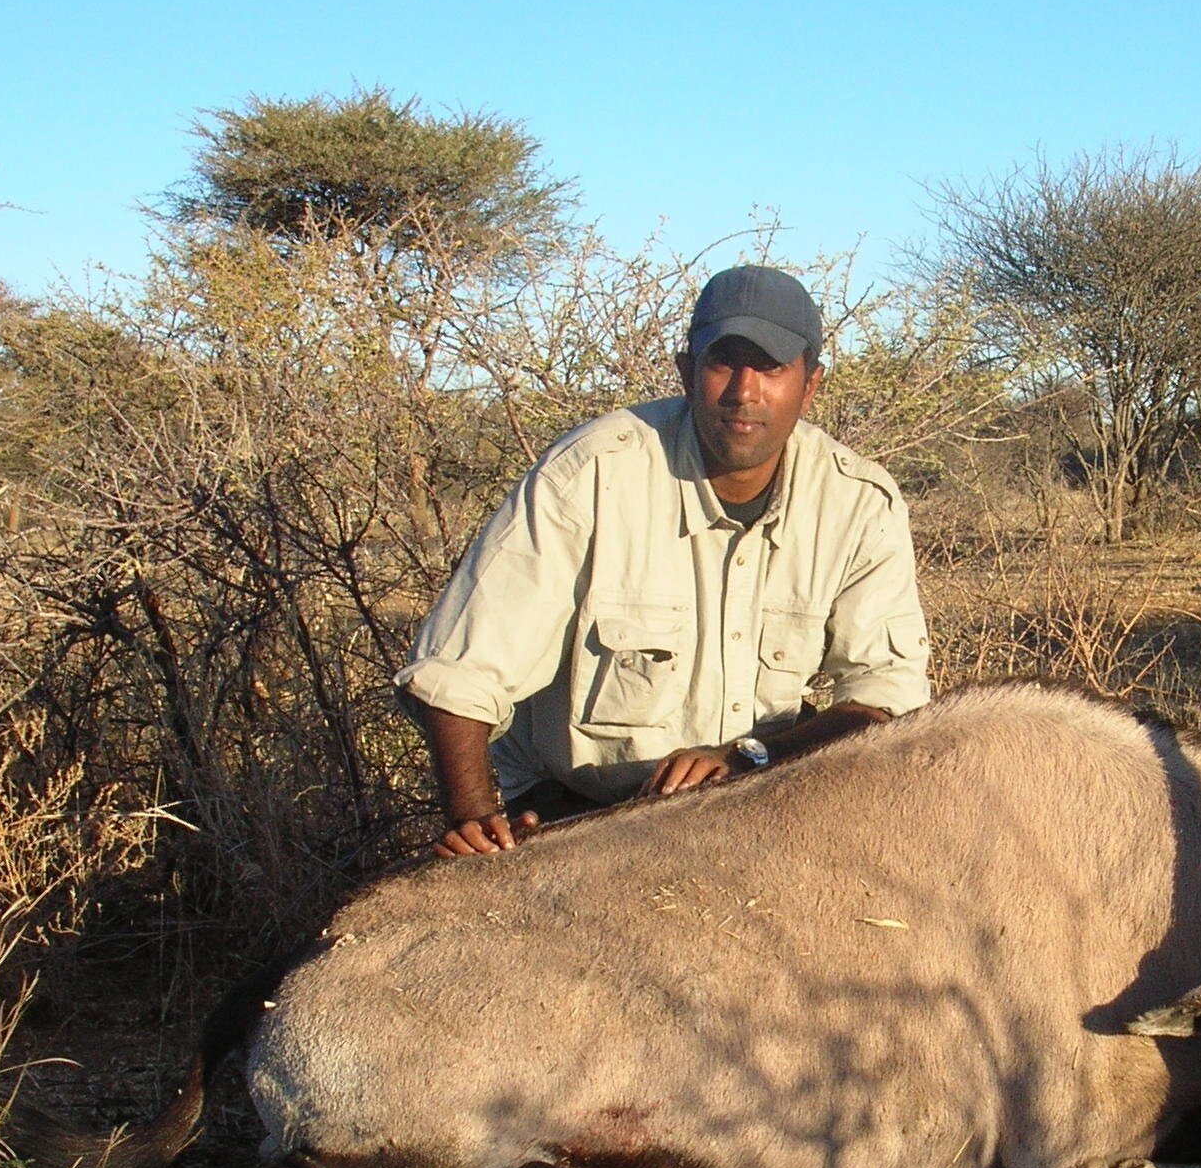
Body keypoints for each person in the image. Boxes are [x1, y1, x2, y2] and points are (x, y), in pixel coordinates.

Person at [396, 265, 932, 857]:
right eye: (723, 362)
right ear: (687, 371)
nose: (744, 392)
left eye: (772, 368)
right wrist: (475, 818)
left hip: (764, 793)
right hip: (586, 810)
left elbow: (888, 699)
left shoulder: (858, 499)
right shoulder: (592, 471)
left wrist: (748, 757)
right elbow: (459, 675)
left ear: (811, 385)